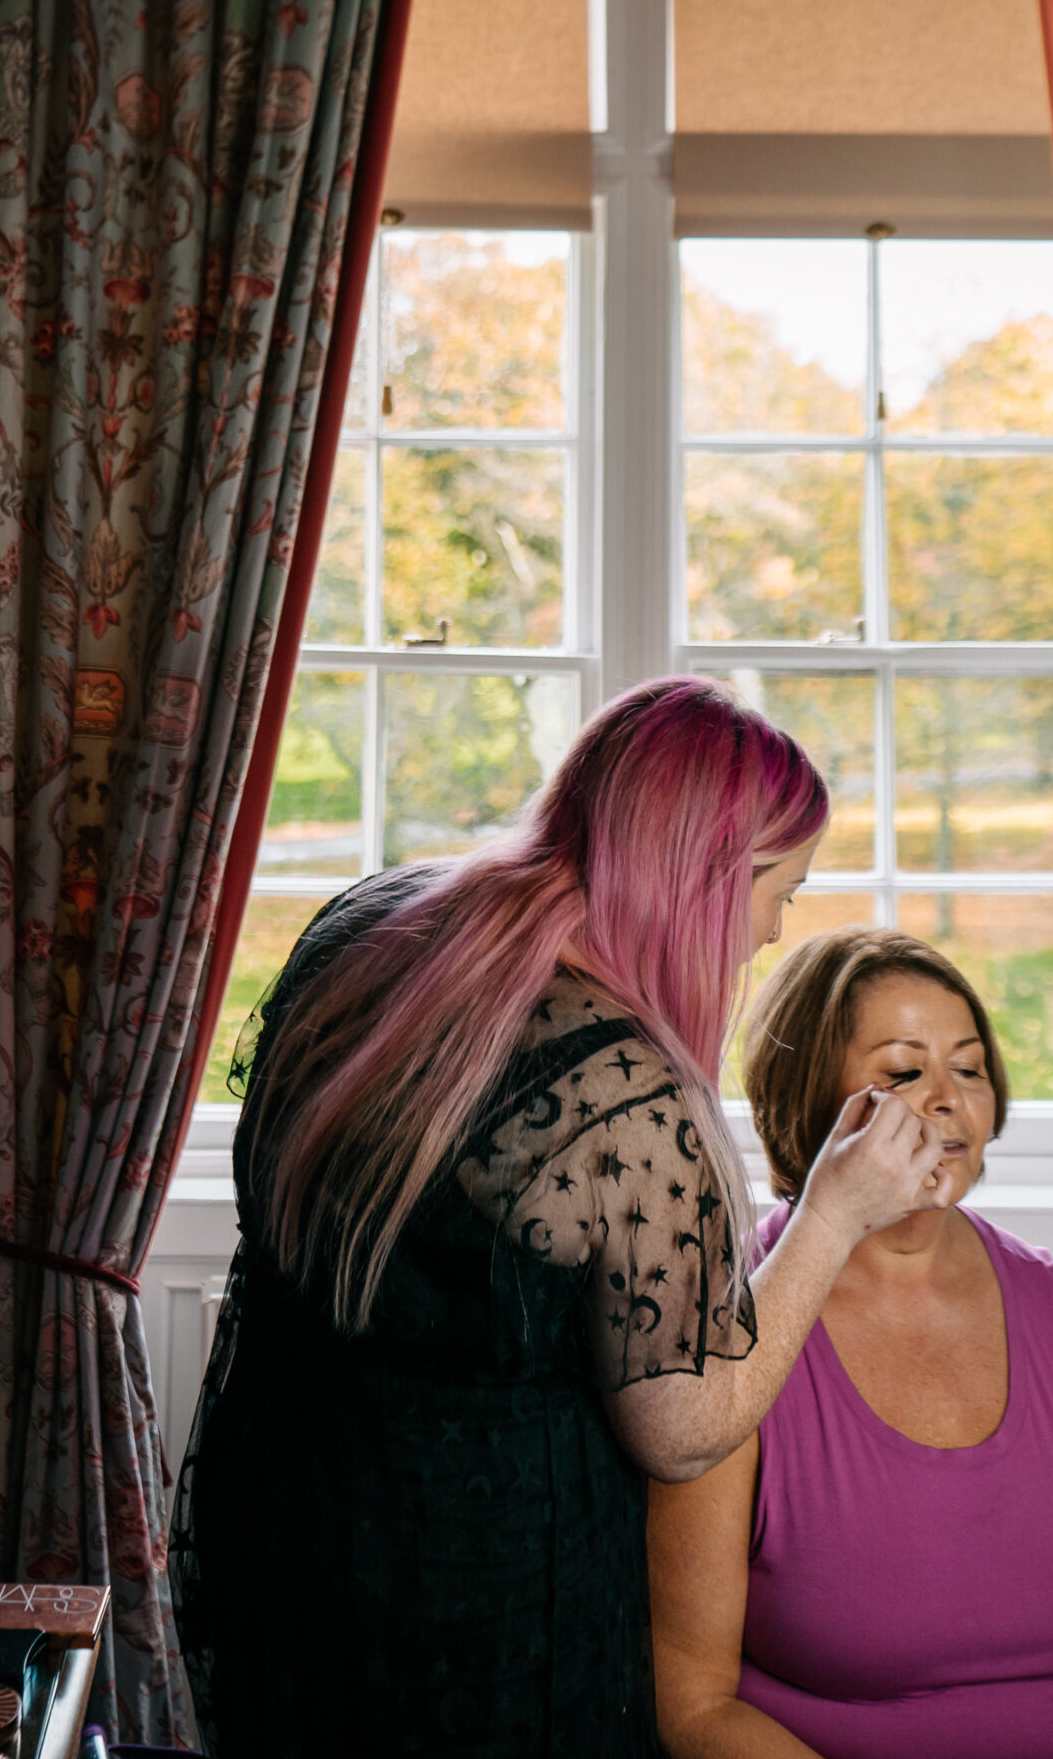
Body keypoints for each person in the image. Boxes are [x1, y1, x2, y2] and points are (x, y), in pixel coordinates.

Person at [168, 678, 953, 1758]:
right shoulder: (626, 1100)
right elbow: (682, 1429)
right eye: (779, 889)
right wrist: (835, 1211)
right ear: (707, 881)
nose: (774, 930)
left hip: (281, 1539)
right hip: (477, 1633)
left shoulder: (374, 926)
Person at [649, 926, 1053, 1759]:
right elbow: (694, 1706)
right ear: (808, 1092)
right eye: (902, 1071)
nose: (946, 1099)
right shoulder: (727, 1343)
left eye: (968, 1068)